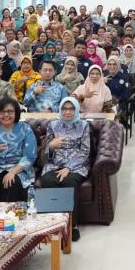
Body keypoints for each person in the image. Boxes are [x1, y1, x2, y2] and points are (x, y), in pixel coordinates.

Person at [40, 96, 90, 242]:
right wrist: (51, 146)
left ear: (76, 110)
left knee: (70, 183)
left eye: (71, 109)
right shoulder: (53, 125)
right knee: (48, 180)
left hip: (76, 165)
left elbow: (85, 151)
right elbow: (46, 150)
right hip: (54, 163)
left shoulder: (84, 125)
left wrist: (69, 167)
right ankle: (51, 225)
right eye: (64, 109)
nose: (67, 112)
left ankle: (71, 225)